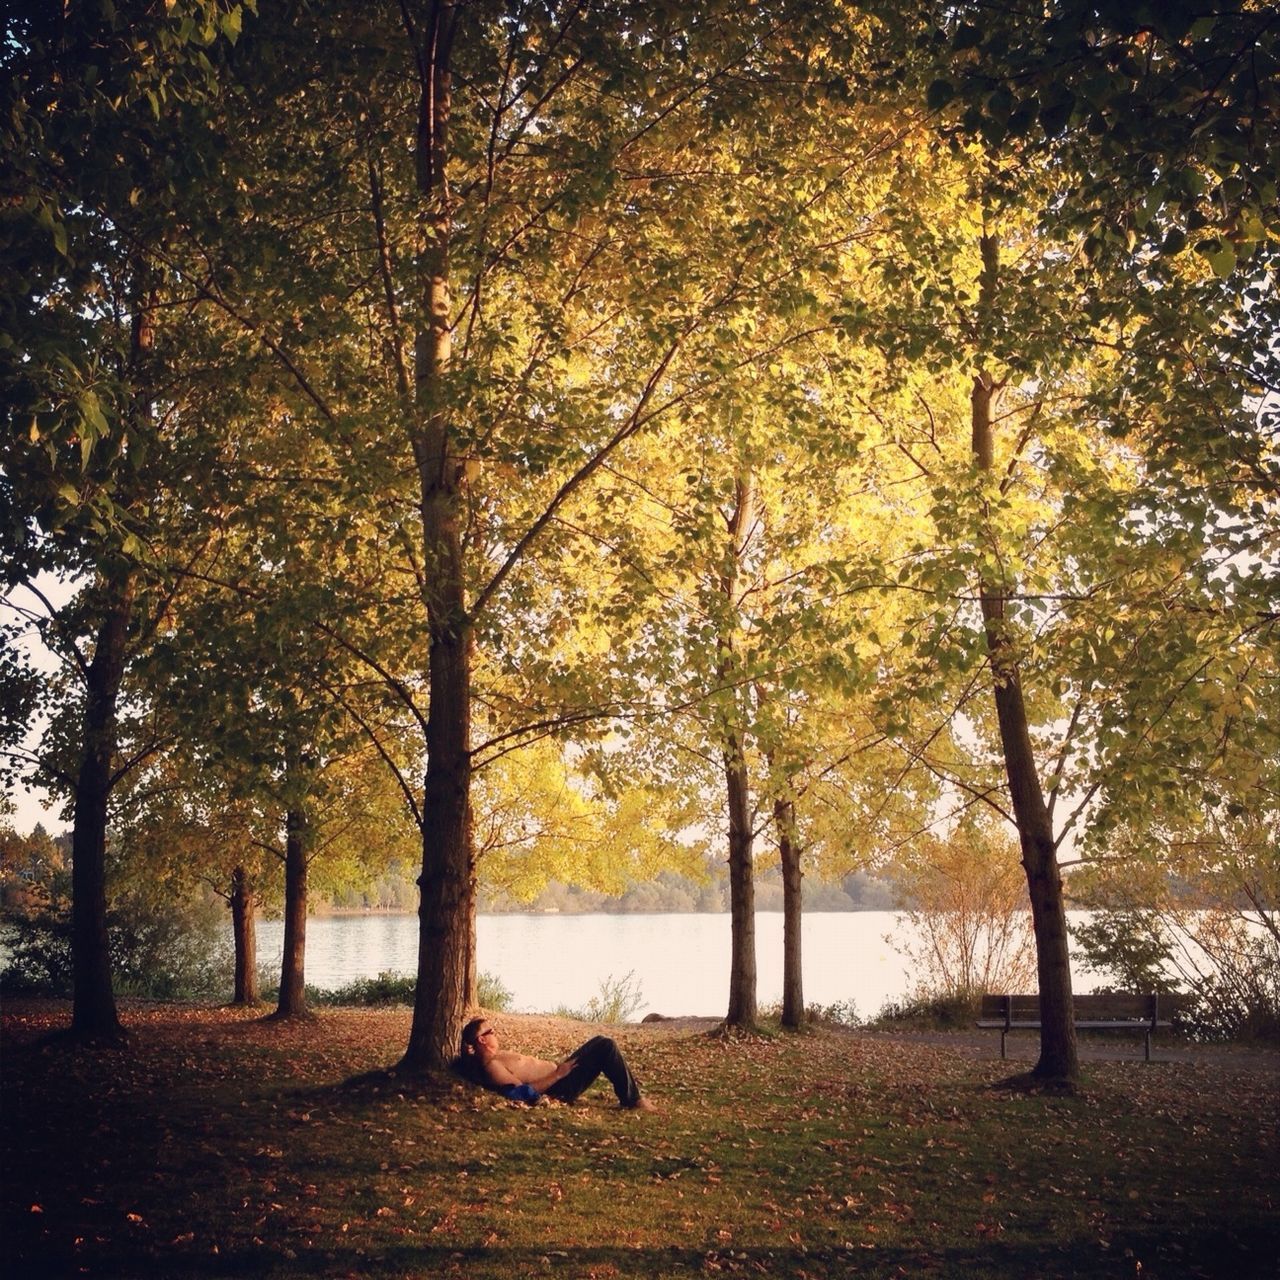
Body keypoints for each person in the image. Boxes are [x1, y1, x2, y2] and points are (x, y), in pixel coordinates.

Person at [456, 1017, 656, 1111]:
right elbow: (521, 1094)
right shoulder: (492, 1066)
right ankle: (633, 1100)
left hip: (560, 1075)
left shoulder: (491, 1058)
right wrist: (558, 1075)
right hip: (559, 1086)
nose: (495, 1033)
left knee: (601, 1041)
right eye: (491, 1031)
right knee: (606, 1046)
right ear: (482, 1040)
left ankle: (631, 1097)